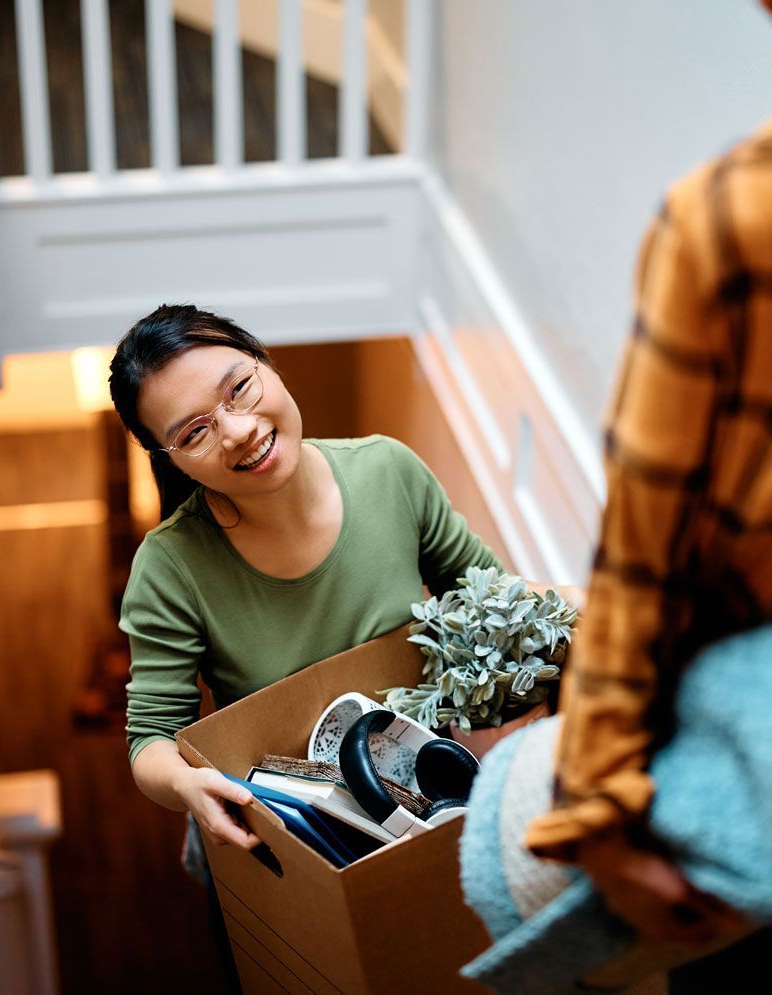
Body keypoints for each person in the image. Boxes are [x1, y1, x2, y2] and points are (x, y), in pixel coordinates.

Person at [525, 10, 772, 988]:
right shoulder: (728, 224)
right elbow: (638, 559)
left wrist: (594, 809)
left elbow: (640, 557)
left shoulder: (728, 218)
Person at [108, 303, 504, 854]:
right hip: (286, 831)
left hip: (422, 802)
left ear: (264, 361)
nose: (239, 431)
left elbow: (490, 598)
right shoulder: (170, 567)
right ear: (170, 458)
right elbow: (150, 740)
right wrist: (185, 783)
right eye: (195, 432)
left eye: (239, 388)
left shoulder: (390, 472)